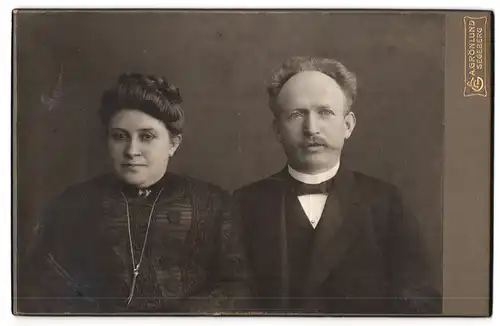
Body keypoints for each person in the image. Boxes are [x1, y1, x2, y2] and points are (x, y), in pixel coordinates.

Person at [18, 73, 251, 314]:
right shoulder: (75, 203)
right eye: (120, 137)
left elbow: (237, 286)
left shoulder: (211, 203)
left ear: (173, 143)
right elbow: (41, 285)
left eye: (147, 137)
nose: (132, 150)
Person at [233, 56, 442, 314]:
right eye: (297, 115)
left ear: (347, 125)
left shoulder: (386, 203)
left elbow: (420, 302)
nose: (311, 129)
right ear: (277, 130)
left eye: (325, 113)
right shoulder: (243, 205)